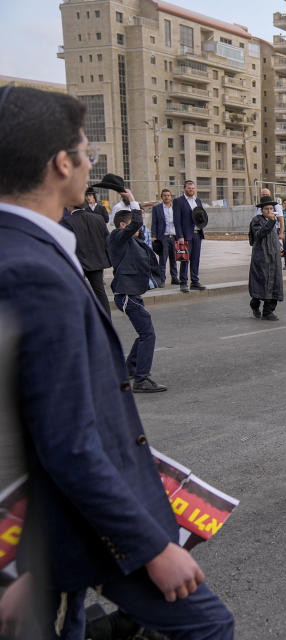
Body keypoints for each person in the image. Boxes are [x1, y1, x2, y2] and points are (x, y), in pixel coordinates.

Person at [0, 86, 234, 638]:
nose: (90, 164)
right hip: (78, 523)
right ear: (62, 163)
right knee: (207, 626)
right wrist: (153, 547)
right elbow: (67, 440)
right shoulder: (31, 268)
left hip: (50, 531)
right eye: (85, 152)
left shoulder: (27, 247)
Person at [108, 201, 167, 392]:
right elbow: (135, 224)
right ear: (123, 225)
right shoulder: (117, 236)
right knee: (148, 334)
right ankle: (141, 380)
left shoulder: (133, 241)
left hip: (133, 292)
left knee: (144, 332)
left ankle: (129, 369)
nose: (139, 228)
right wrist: (132, 201)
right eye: (135, 225)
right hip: (126, 294)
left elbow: (145, 253)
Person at [61, 194, 112, 311]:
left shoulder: (67, 222)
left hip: (78, 263)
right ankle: (106, 321)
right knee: (100, 293)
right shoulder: (98, 218)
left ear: (70, 206)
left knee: (77, 292)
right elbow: (107, 240)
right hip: (97, 261)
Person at [248, 194, 283, 321]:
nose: (269, 211)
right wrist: (272, 221)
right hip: (261, 259)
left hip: (274, 258)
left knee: (274, 284)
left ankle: (268, 311)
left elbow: (274, 238)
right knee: (261, 285)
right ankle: (255, 305)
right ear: (262, 210)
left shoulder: (273, 221)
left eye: (271, 209)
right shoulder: (257, 220)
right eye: (266, 209)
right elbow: (259, 234)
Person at [173, 179, 207, 292]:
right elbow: (177, 221)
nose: (191, 190)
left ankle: (195, 281)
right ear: (184, 189)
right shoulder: (178, 201)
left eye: (192, 188)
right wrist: (180, 236)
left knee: (195, 259)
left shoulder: (198, 201)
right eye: (189, 188)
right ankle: (183, 282)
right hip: (186, 236)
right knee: (184, 259)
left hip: (197, 234)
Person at [150, 188, 180, 287]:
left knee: (174, 259)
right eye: (164, 195)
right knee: (163, 260)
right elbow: (154, 223)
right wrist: (153, 236)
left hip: (174, 237)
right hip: (163, 238)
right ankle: (161, 280)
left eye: (168, 195)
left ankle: (174, 278)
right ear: (161, 197)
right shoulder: (157, 208)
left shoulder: (175, 208)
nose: (167, 197)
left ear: (171, 197)